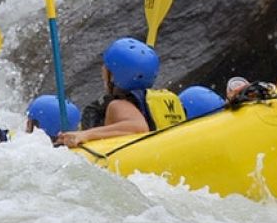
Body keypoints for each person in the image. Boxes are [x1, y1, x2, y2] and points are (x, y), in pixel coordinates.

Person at [56, 37, 185, 148]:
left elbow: (138, 127)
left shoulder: (118, 105)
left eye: (106, 68)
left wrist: (84, 135)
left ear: (112, 76)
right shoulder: (161, 101)